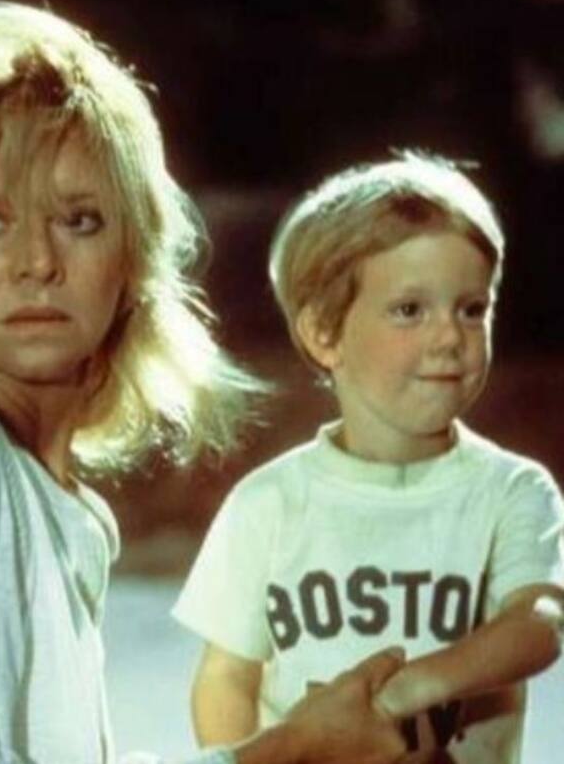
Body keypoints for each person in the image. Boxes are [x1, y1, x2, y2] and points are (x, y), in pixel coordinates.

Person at [0, 1, 407, 764]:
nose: (38, 261)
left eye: (79, 220)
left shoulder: (42, 496)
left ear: (131, 257)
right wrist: (288, 752)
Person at [173, 152, 564, 763]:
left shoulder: (512, 490)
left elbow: (539, 623)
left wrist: (403, 693)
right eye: (410, 310)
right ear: (324, 333)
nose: (449, 336)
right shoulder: (268, 503)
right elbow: (227, 678)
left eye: (471, 309)